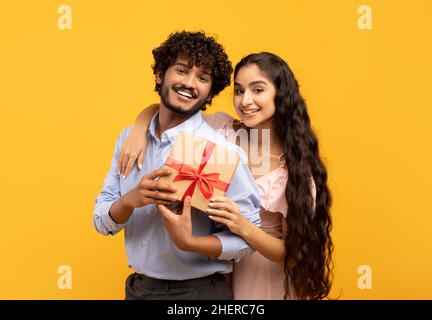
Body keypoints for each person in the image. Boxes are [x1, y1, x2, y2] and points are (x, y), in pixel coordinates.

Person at [119, 52, 334, 300]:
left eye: (258, 90)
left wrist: (243, 227)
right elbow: (172, 106)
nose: (246, 100)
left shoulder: (293, 172)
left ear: (281, 94)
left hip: (262, 280)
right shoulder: (222, 131)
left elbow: (294, 255)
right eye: (239, 91)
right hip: (214, 275)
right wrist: (138, 129)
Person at [93, 31, 261, 300]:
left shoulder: (219, 152)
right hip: (137, 289)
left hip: (199, 292)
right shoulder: (129, 140)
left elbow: (247, 240)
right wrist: (130, 200)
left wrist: (191, 242)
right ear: (161, 74)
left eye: (202, 78)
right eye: (181, 70)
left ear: (209, 92)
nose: (190, 83)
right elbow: (101, 222)